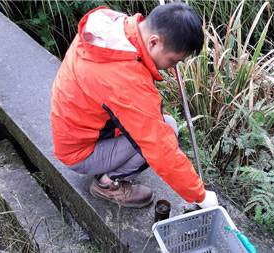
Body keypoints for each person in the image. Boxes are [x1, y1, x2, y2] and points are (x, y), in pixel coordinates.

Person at [51, 2, 218, 209]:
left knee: (165, 125)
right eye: (174, 60)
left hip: (73, 129)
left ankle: (108, 166)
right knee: (164, 133)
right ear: (154, 42)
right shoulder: (125, 78)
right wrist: (200, 196)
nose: (173, 68)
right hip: (79, 151)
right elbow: (158, 146)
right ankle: (107, 184)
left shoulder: (114, 32)